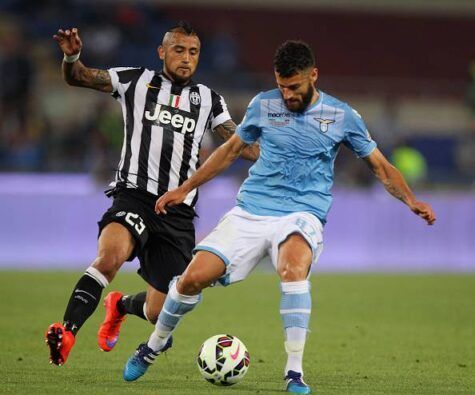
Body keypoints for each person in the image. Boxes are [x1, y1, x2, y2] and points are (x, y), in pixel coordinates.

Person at [121, 40, 436, 393]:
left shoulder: (342, 115)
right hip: (251, 211)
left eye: (295, 87)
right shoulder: (263, 104)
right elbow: (229, 152)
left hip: (302, 213)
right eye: (282, 86)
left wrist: (410, 200)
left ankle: (294, 372)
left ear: (313, 76)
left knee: (293, 267)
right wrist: (184, 188)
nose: (287, 95)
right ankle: (154, 345)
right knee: (191, 279)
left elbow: (380, 166)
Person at [45, 21, 259, 366]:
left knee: (160, 312)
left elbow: (241, 146)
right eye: (178, 50)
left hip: (177, 214)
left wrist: (281, 151)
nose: (186, 58)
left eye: (193, 52)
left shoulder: (208, 100)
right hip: (135, 196)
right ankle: (67, 331)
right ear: (162, 52)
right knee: (109, 258)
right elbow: (79, 77)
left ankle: (120, 305)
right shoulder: (136, 81)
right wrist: (73, 58)